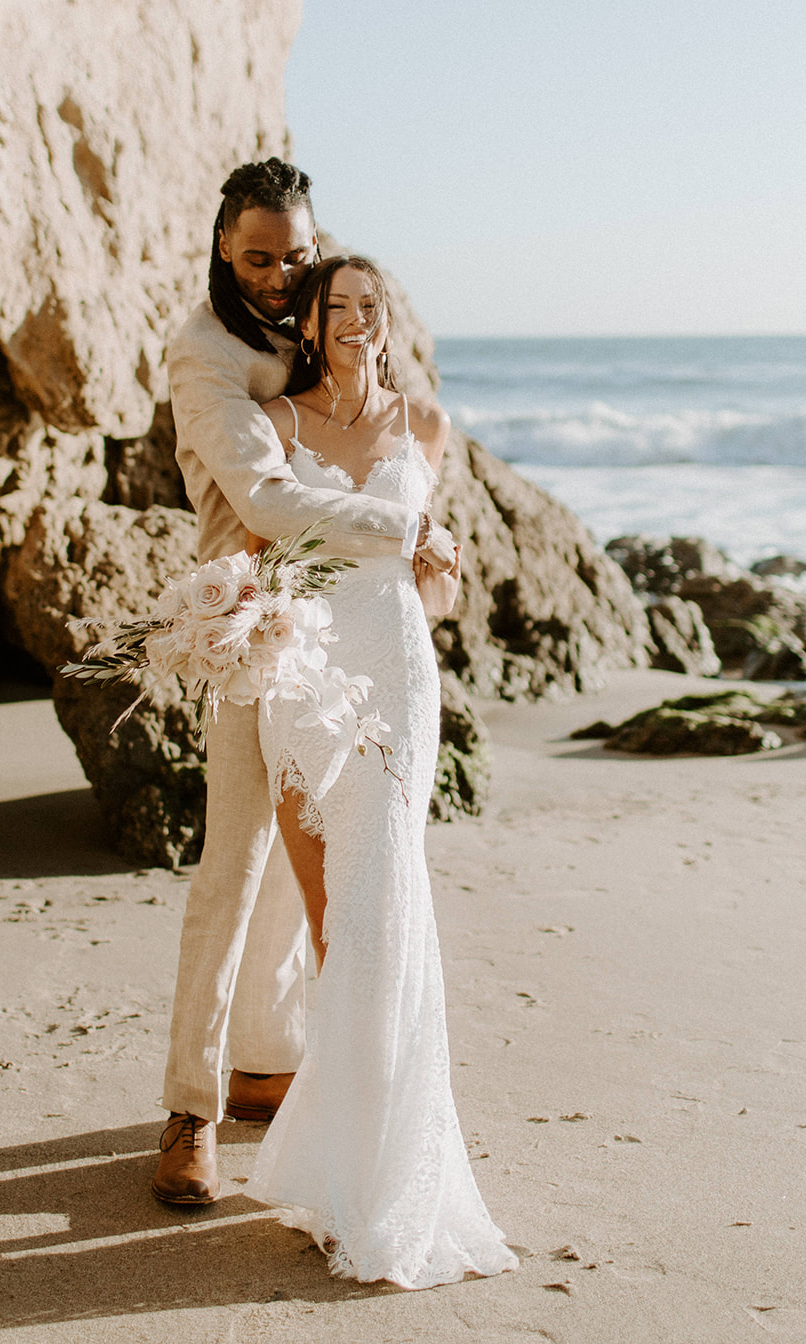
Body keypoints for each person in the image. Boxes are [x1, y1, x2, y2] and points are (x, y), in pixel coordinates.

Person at [156, 162, 457, 1206]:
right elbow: (268, 500)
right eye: (259, 258)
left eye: (296, 252)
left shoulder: (311, 313)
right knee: (237, 860)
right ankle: (188, 1110)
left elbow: (372, 408)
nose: (282, 275)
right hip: (253, 624)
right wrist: (404, 529)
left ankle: (262, 1062)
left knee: (309, 859)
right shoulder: (203, 352)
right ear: (221, 249)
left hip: (354, 632)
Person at [245, 254, 518, 1289]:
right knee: (328, 921)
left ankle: (384, 1175)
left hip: (398, 671)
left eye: (372, 305)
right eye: (337, 306)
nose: (358, 320)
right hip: (307, 676)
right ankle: (336, 1161)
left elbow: (432, 578)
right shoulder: (277, 424)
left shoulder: (426, 427)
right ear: (309, 323)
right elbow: (275, 535)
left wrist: (438, 573)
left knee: (383, 906)